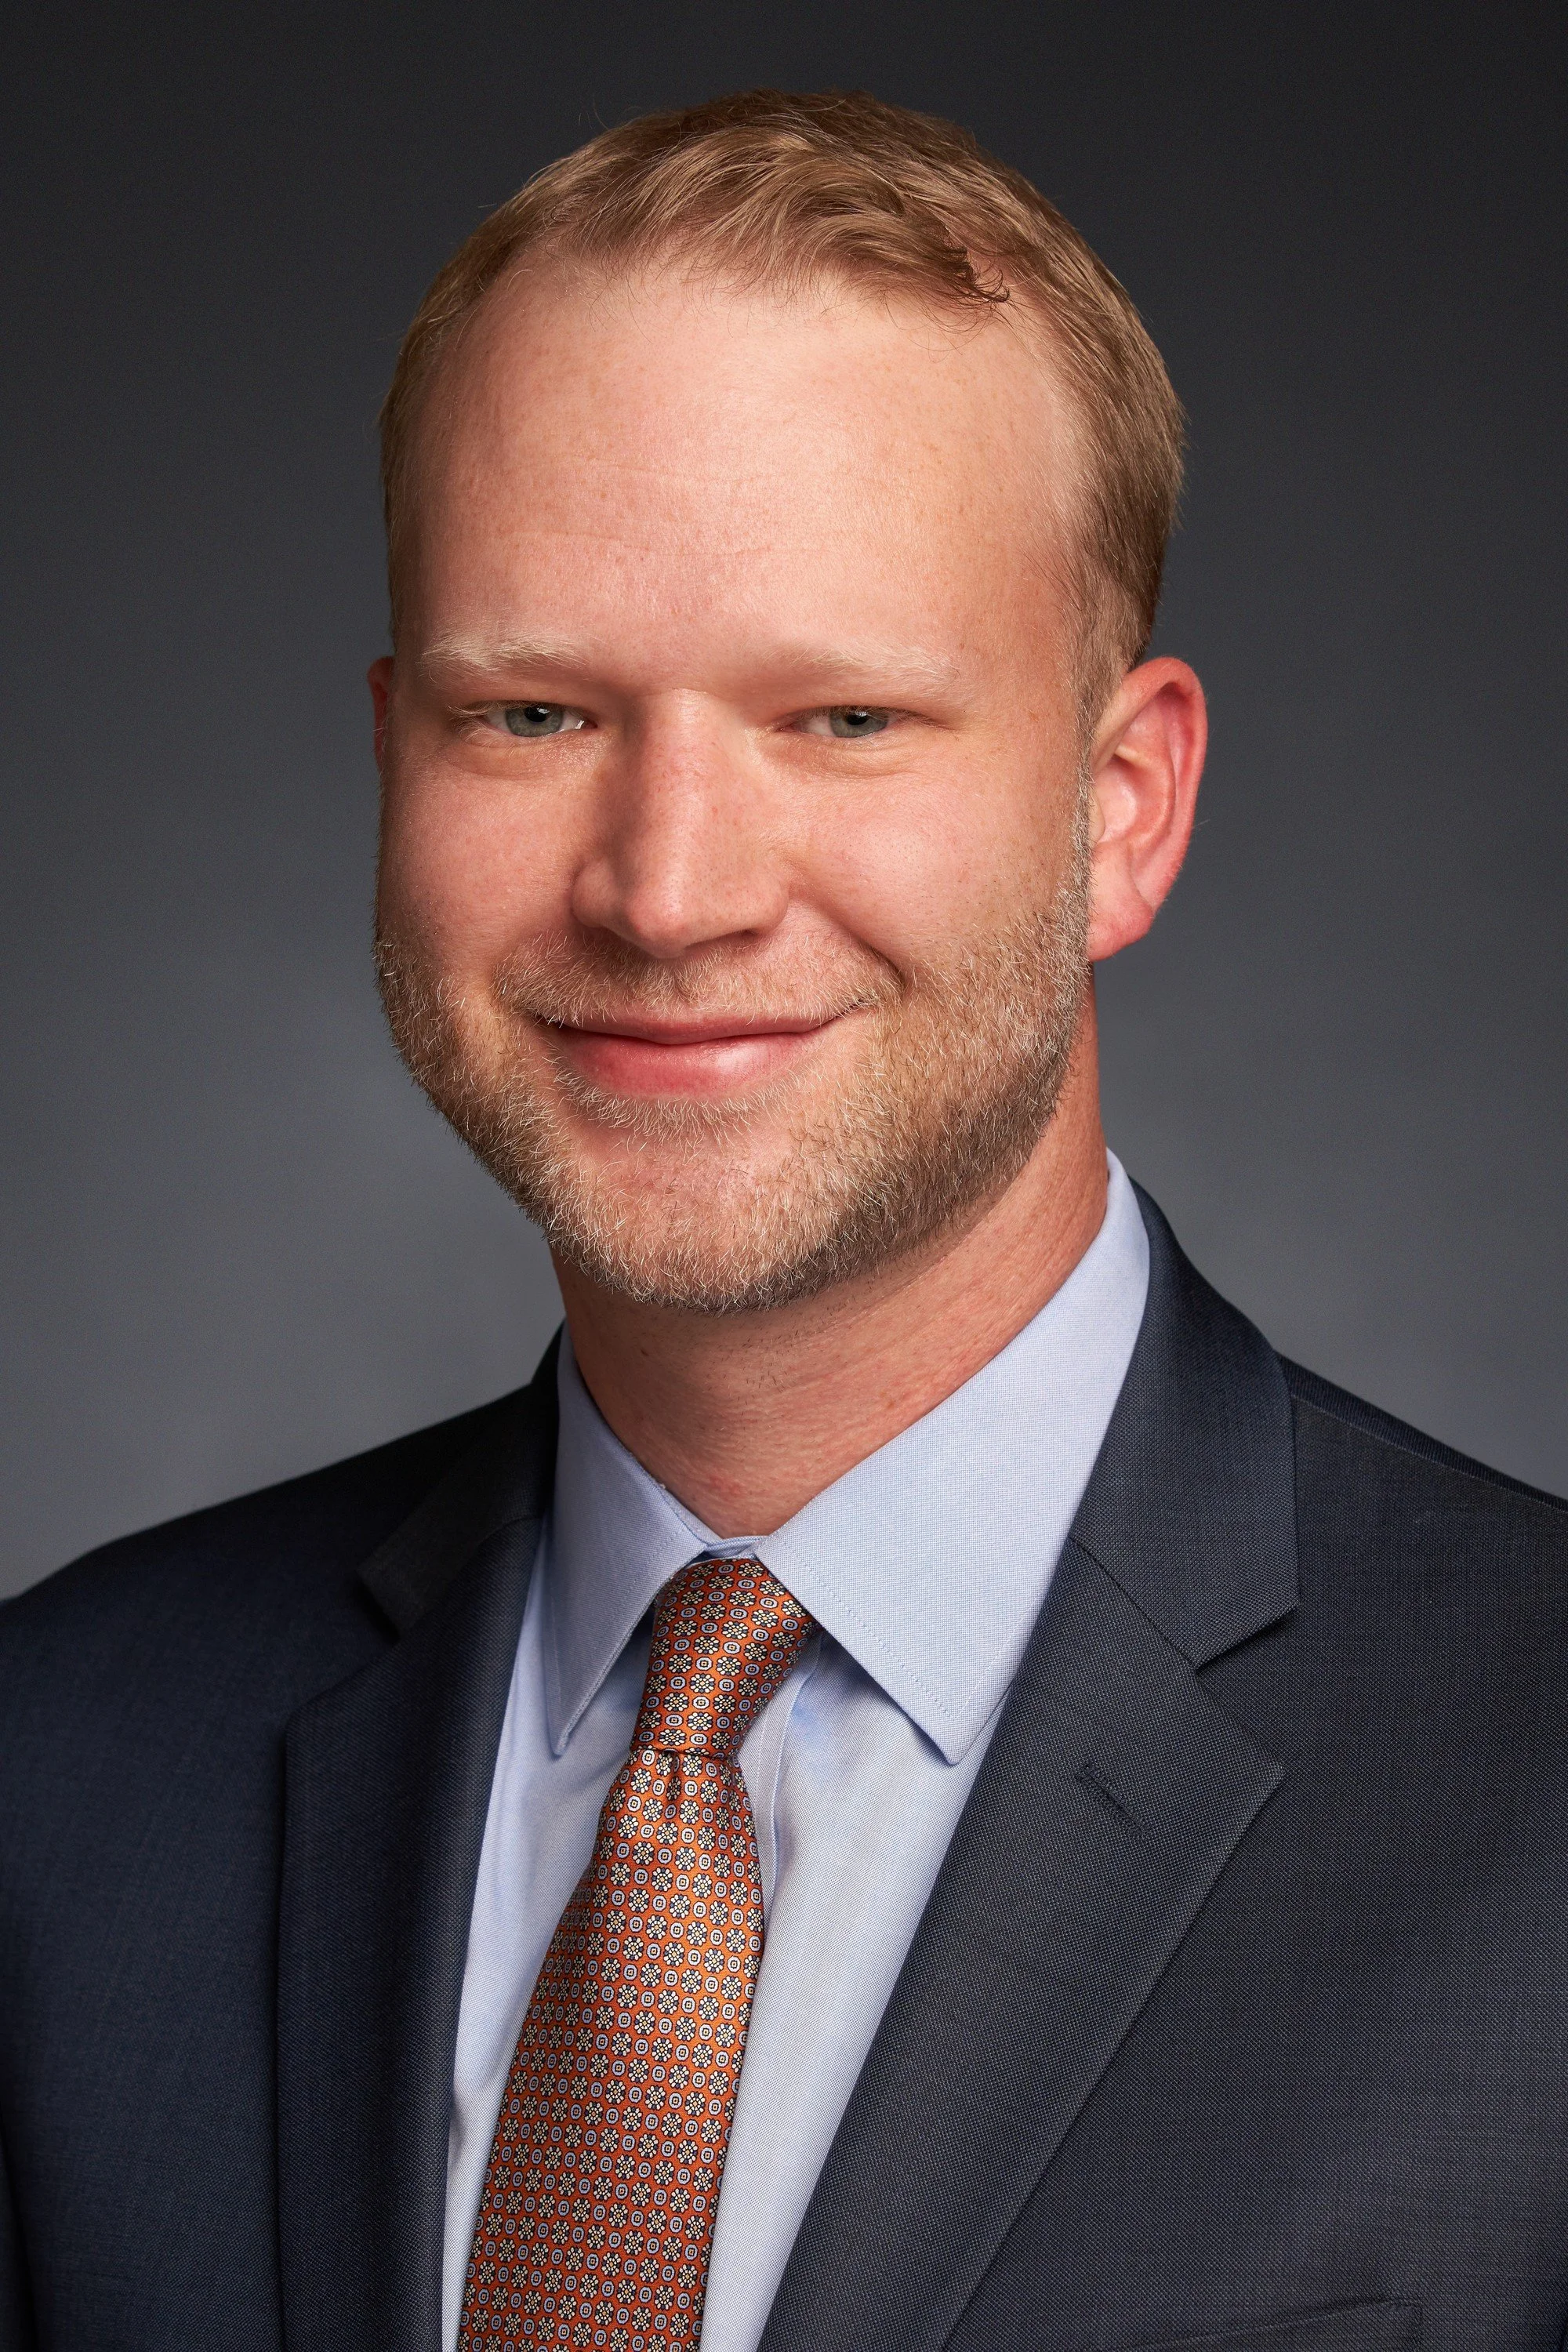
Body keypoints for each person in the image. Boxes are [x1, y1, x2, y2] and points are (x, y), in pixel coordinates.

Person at [2, 84, 1565, 2352]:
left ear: (1121, 811)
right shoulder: (64, 1764)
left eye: (840, 717)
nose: (668, 888)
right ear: (389, 763)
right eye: (531, 713)